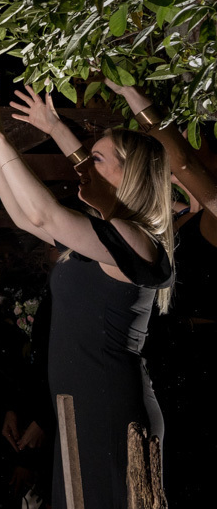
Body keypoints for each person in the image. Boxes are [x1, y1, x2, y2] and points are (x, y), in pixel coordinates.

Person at [0, 77, 173, 508]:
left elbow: (43, 212)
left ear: (129, 173)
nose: (83, 167)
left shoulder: (138, 239)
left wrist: (1, 137)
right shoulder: (102, 237)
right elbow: (25, 217)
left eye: (96, 159)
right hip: (78, 403)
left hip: (109, 407)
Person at [106, 80, 217, 507]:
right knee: (164, 472)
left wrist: (134, 94)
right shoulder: (177, 220)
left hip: (202, 355)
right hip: (166, 352)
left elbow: (184, 160)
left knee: (196, 467)